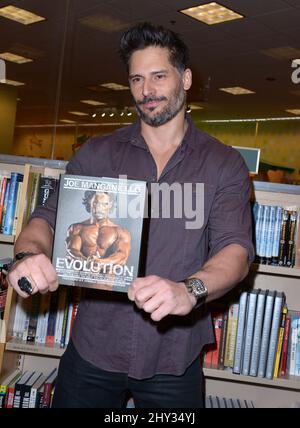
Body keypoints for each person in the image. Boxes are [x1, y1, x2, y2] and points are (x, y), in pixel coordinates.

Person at [8, 22, 254, 408]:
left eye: (158, 76)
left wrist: (189, 291)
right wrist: (28, 255)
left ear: (186, 78)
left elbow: (236, 250)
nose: (146, 90)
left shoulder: (223, 164)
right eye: (136, 78)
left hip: (173, 357)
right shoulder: (96, 155)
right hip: (93, 348)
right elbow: (46, 218)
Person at [65, 190, 131, 267]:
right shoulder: (77, 228)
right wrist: (86, 262)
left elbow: (122, 255)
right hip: (82, 278)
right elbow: (72, 250)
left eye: (104, 204)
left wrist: (101, 263)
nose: (99, 209)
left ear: (110, 205)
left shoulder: (120, 232)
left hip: (106, 278)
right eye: (96, 203)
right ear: (90, 202)